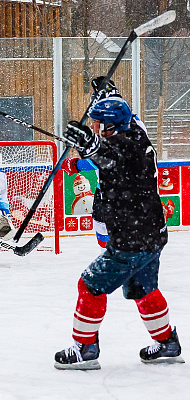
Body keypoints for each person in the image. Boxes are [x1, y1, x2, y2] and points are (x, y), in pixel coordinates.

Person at [54, 97, 184, 370]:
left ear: (109, 127)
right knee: (143, 289)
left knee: (89, 286)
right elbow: (108, 152)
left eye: (97, 122)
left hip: (131, 241)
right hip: (151, 234)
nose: (94, 125)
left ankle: (85, 348)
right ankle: (167, 343)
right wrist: (90, 144)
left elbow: (111, 156)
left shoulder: (123, 149)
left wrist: (90, 145)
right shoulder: (136, 132)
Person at [61, 76, 147, 249]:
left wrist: (77, 164)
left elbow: (109, 160)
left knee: (119, 242)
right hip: (111, 190)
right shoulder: (127, 122)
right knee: (105, 239)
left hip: (125, 192)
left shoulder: (123, 128)